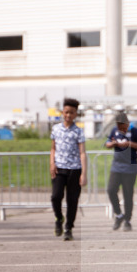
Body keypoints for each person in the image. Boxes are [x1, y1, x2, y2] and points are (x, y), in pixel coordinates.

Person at [49, 97, 87, 241]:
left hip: (75, 169)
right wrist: (52, 164)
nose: (68, 115)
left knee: (72, 200)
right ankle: (59, 218)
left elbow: (82, 152)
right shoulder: (55, 129)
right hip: (59, 169)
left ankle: (69, 228)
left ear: (76, 114)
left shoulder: (78, 131)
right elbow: (53, 148)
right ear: (62, 112)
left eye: (71, 113)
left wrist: (83, 173)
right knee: (56, 196)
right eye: (66, 112)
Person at [105, 111, 137, 231]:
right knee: (111, 190)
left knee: (128, 194)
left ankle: (127, 220)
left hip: (130, 167)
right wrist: (113, 143)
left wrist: (129, 144)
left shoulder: (134, 130)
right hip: (117, 166)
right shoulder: (114, 130)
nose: (121, 128)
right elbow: (107, 143)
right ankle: (119, 215)